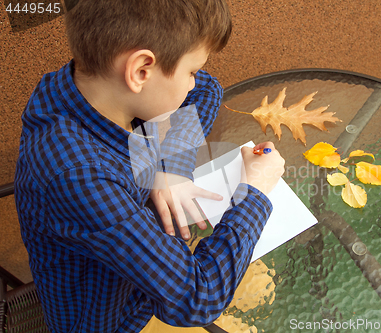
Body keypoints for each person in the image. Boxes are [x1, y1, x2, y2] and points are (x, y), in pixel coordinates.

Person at [14, 0, 285, 332]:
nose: (192, 82)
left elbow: (206, 91)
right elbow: (196, 299)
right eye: (191, 71)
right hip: (110, 318)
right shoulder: (76, 175)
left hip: (145, 271)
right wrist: (255, 192)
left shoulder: (87, 91)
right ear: (141, 70)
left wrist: (170, 168)